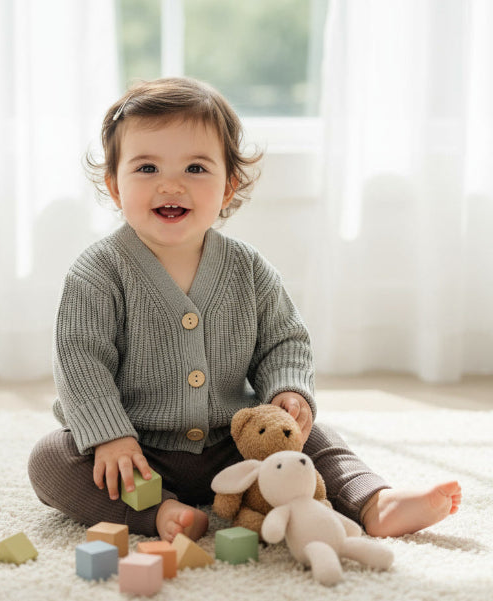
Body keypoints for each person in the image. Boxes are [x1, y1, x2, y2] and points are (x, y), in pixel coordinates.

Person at [28, 77, 461, 542]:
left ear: (228, 184)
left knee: (316, 441)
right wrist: (109, 435)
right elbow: (80, 360)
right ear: (115, 187)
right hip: (137, 452)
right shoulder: (97, 272)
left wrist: (287, 391)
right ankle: (159, 513)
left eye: (195, 167)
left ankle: (375, 501)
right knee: (51, 459)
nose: (171, 184)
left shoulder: (248, 268)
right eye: (147, 168)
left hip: (238, 444)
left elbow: (284, 341)